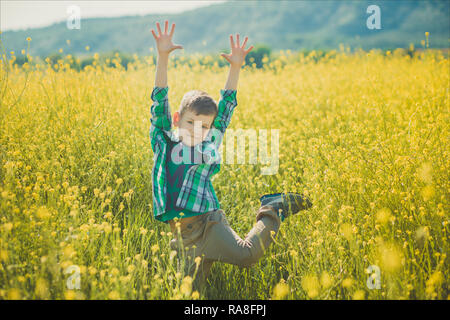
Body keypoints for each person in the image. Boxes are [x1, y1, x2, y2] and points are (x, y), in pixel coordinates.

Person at [149, 20, 312, 291]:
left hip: (208, 224)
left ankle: (273, 208)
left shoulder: (208, 143)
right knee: (189, 294)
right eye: (190, 123)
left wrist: (235, 67)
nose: (197, 131)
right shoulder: (164, 141)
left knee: (247, 255)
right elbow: (159, 102)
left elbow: (225, 111)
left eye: (204, 127)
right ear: (177, 119)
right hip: (182, 237)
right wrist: (162, 57)